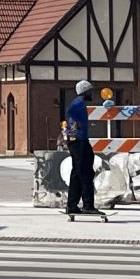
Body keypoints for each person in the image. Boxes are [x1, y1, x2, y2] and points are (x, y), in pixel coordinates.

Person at [63, 79, 104, 220]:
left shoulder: (78, 103)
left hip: (78, 141)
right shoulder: (78, 104)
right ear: (85, 91)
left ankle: (72, 205)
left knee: (77, 172)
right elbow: (69, 114)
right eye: (90, 91)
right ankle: (88, 205)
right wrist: (73, 129)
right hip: (79, 141)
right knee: (85, 172)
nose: (92, 93)